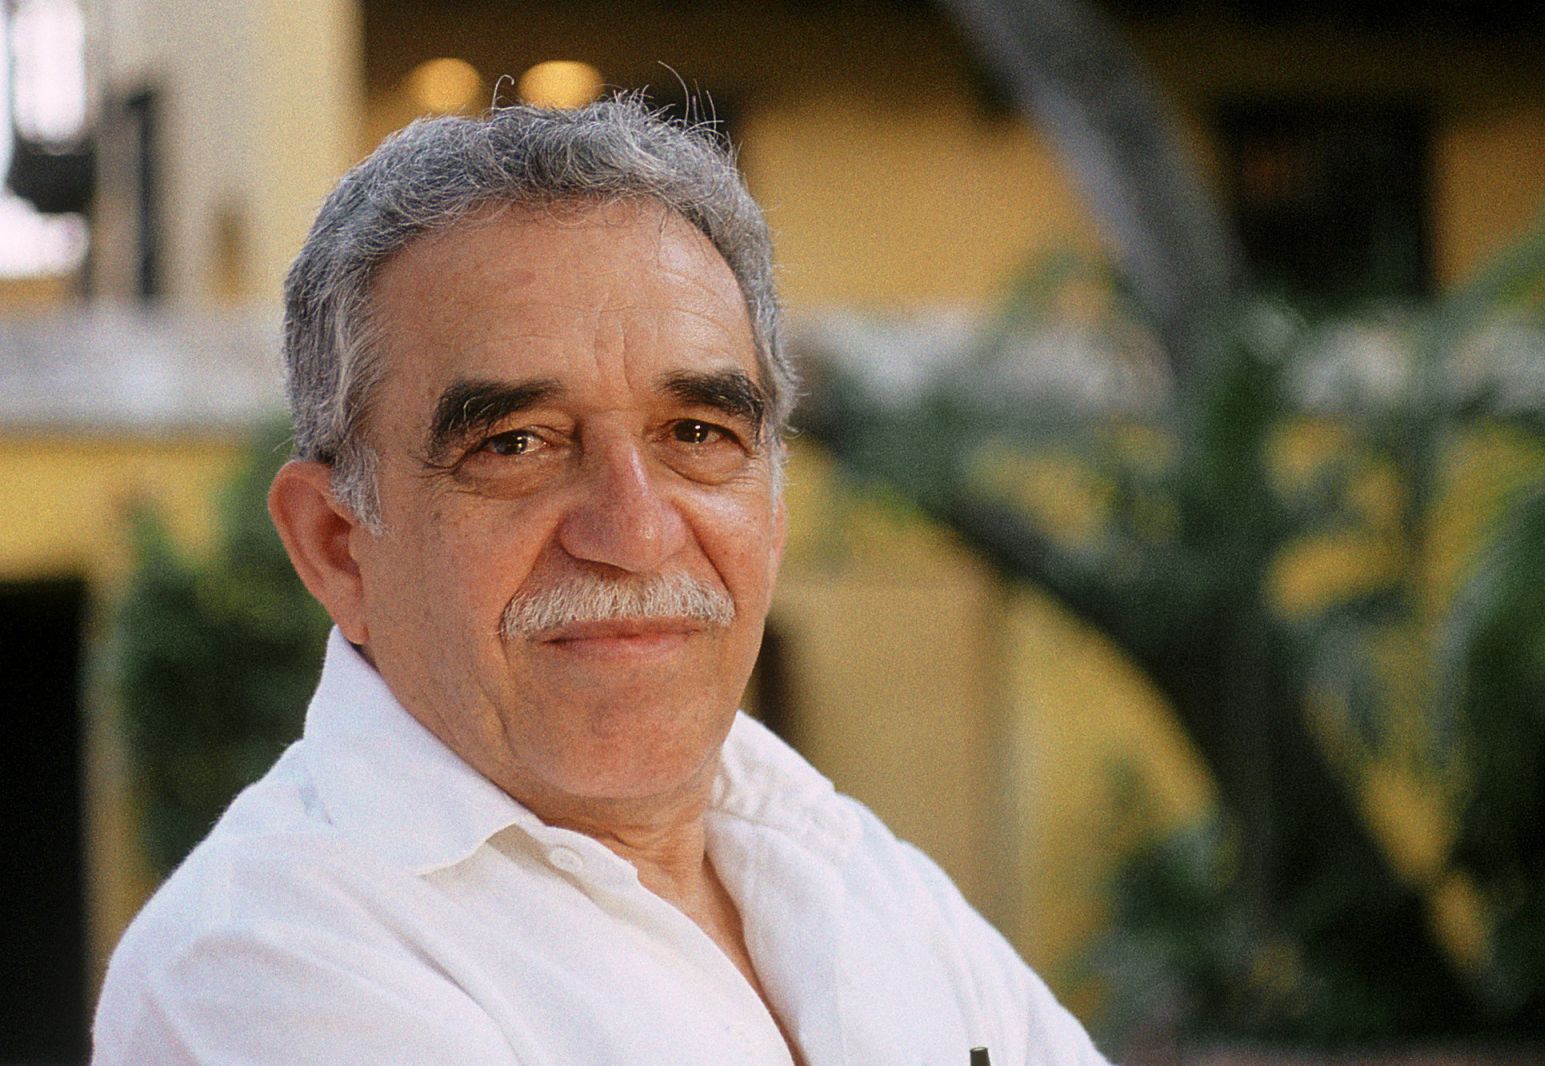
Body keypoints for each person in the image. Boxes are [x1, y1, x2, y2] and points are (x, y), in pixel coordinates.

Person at [92, 98, 1111, 1065]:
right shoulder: (260, 963)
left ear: (773, 506)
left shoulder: (854, 868)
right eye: (516, 444)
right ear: (336, 545)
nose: (635, 532)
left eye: (697, 434)